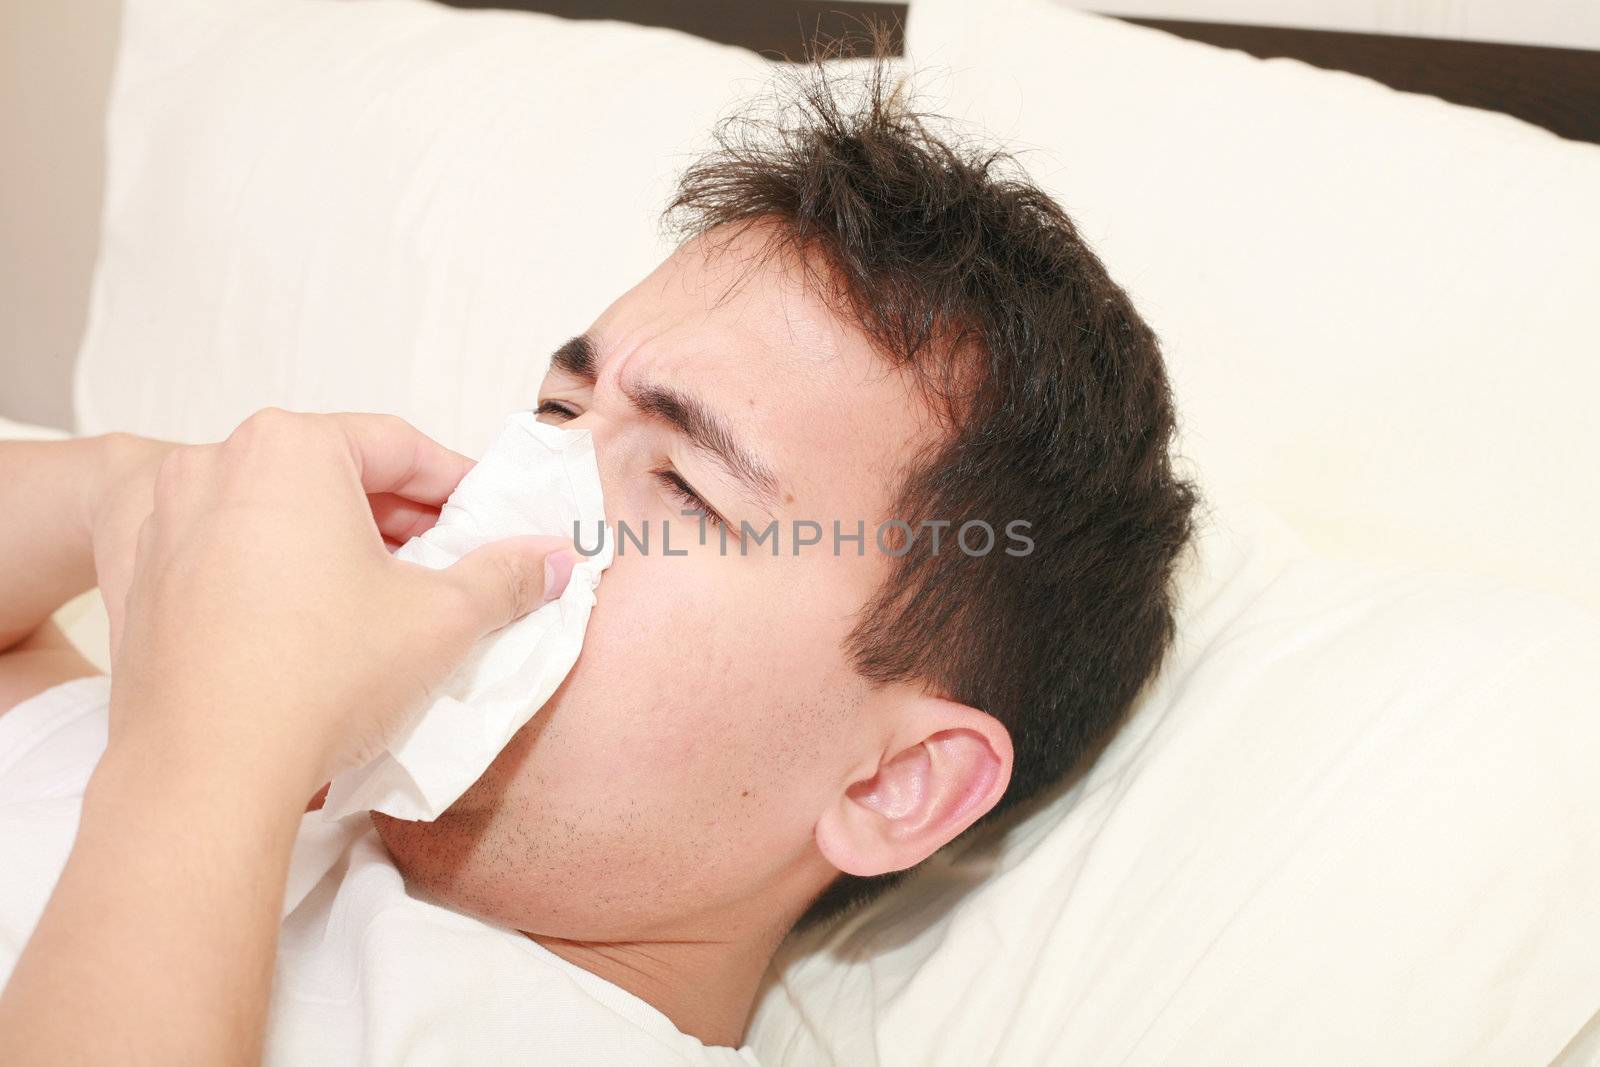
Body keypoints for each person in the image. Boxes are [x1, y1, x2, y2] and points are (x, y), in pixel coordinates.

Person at [0, 57, 1199, 1063]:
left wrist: (214, 749)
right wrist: (148, 492)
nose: (525, 490)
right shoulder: (207, 734)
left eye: (684, 483)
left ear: (892, 785)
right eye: (558, 413)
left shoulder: (213, 754)